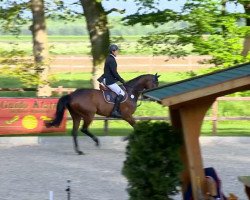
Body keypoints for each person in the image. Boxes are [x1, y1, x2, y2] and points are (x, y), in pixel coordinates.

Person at [98, 44, 125, 118]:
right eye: (117, 51)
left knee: (120, 88)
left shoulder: (108, 58)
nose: (117, 52)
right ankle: (114, 111)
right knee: (121, 93)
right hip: (109, 81)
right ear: (113, 51)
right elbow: (114, 73)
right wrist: (121, 80)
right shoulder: (112, 60)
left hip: (107, 79)